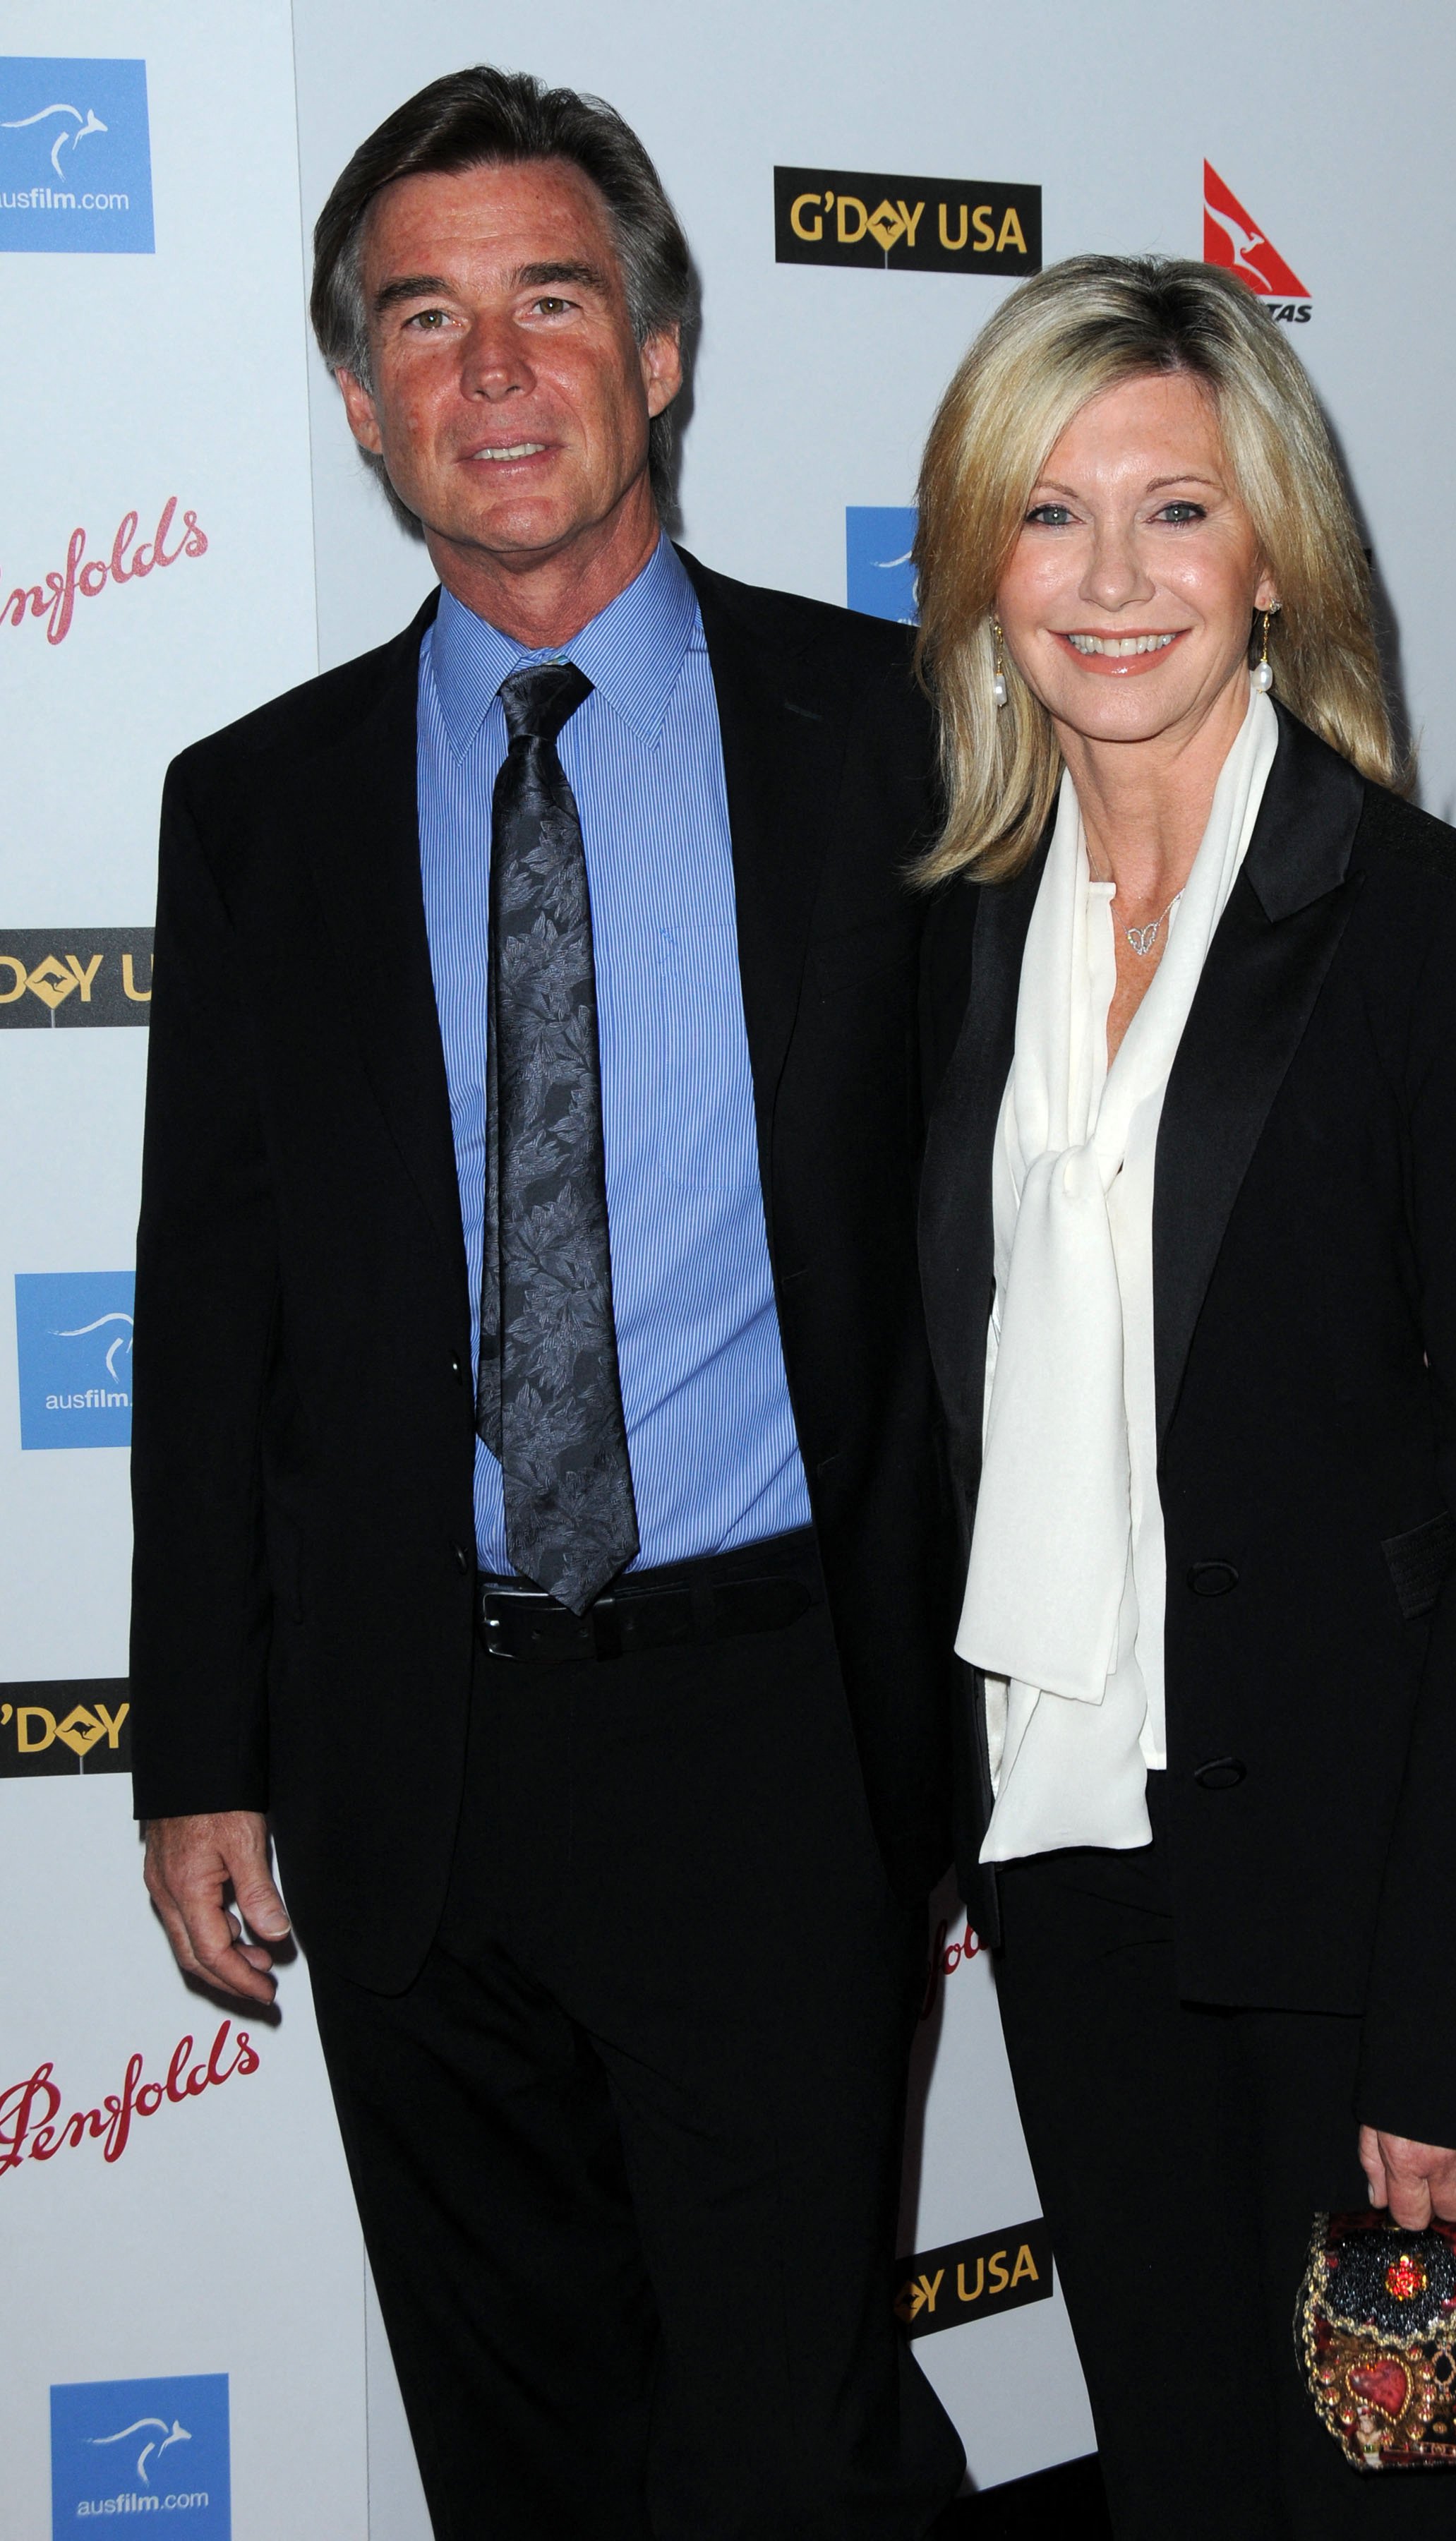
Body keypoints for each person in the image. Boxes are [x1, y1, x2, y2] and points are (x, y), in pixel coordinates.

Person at [128, 66, 963, 2540]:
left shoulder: (898, 735)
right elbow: (214, 1301)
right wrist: (196, 1742)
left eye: (551, 300)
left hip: (776, 1733)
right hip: (413, 1758)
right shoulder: (253, 802)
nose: (491, 370)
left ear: (665, 347)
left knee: (791, 2444)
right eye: (424, 320)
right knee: (521, 2456)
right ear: (366, 402)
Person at [913, 256, 1456, 2539]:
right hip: (1073, 1864)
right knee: (1188, 2490)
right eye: (1046, 516)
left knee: (1402, 2510)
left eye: (1174, 514)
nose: (1108, 581)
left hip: (1363, 1903)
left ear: (1275, 562)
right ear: (977, 566)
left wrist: (1450, 2028)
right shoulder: (951, 936)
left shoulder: (1446, 932)